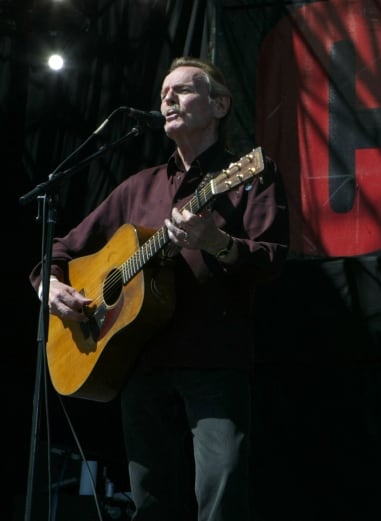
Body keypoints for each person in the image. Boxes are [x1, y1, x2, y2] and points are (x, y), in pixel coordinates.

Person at [29, 56, 289, 520]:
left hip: (213, 358)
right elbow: (61, 249)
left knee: (222, 491)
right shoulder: (137, 188)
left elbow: (271, 257)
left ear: (221, 105)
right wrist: (51, 286)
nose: (168, 98)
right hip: (139, 365)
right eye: (164, 92)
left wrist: (218, 242)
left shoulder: (247, 174)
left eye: (183, 90)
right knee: (150, 503)